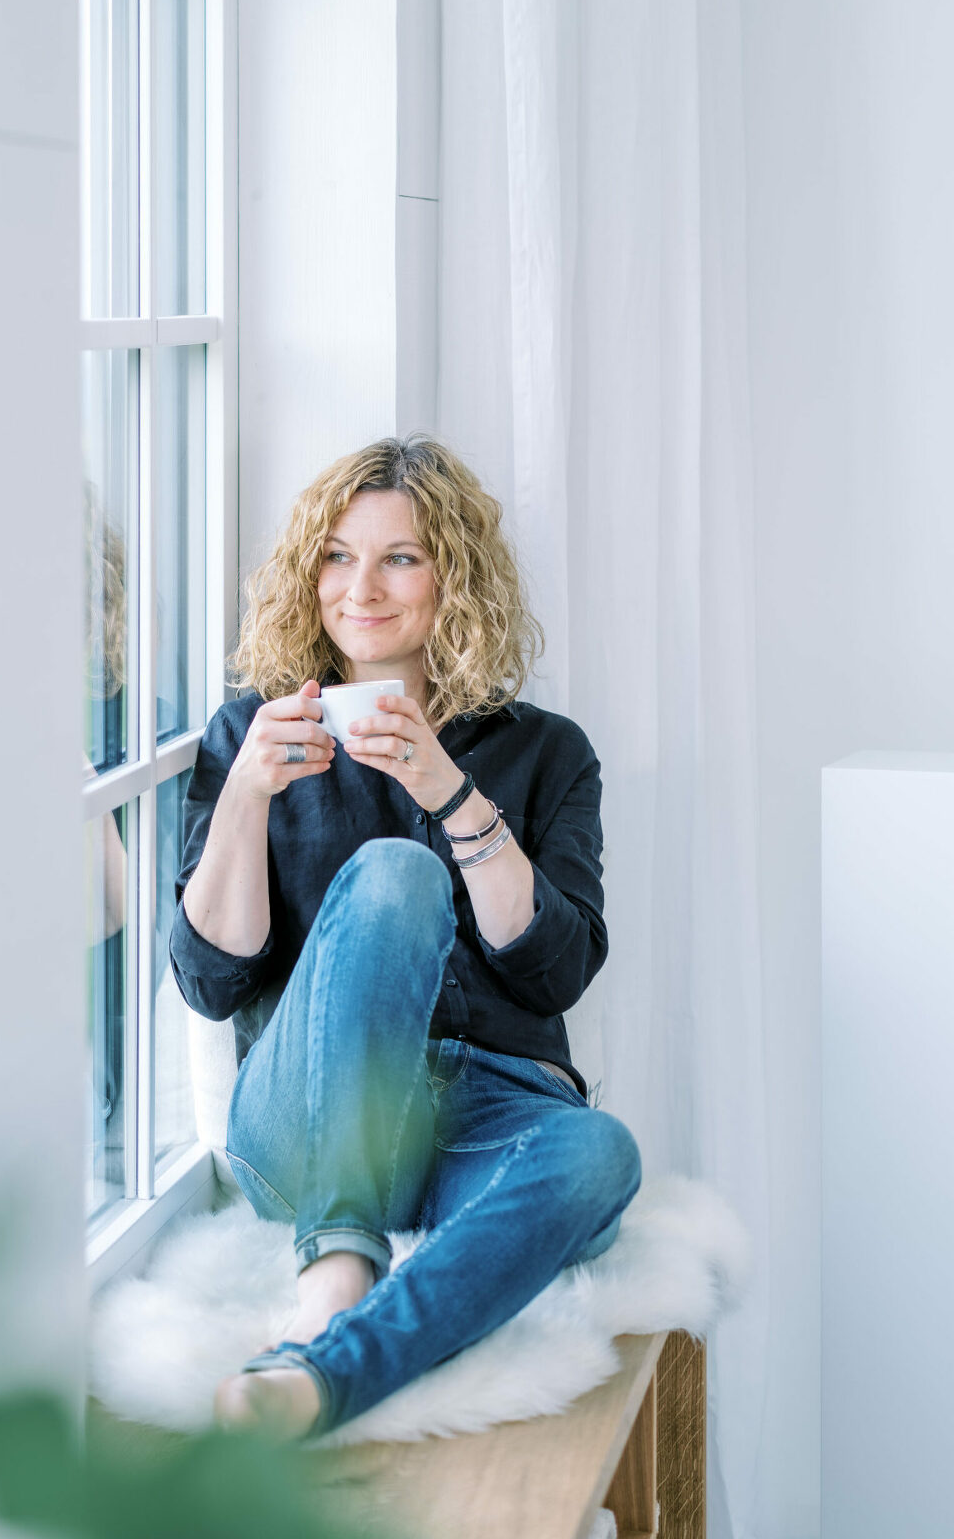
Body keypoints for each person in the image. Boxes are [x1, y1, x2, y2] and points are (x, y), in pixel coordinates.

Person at [169, 434, 642, 1442]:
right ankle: (336, 1264)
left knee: (600, 1155)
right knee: (394, 874)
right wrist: (248, 791)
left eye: (400, 557)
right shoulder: (250, 731)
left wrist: (452, 795)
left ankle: (325, 1375)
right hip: (308, 1111)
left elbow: (554, 968)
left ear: (453, 578)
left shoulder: (546, 751)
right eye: (337, 555)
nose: (361, 588)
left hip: (484, 1111)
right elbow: (211, 979)